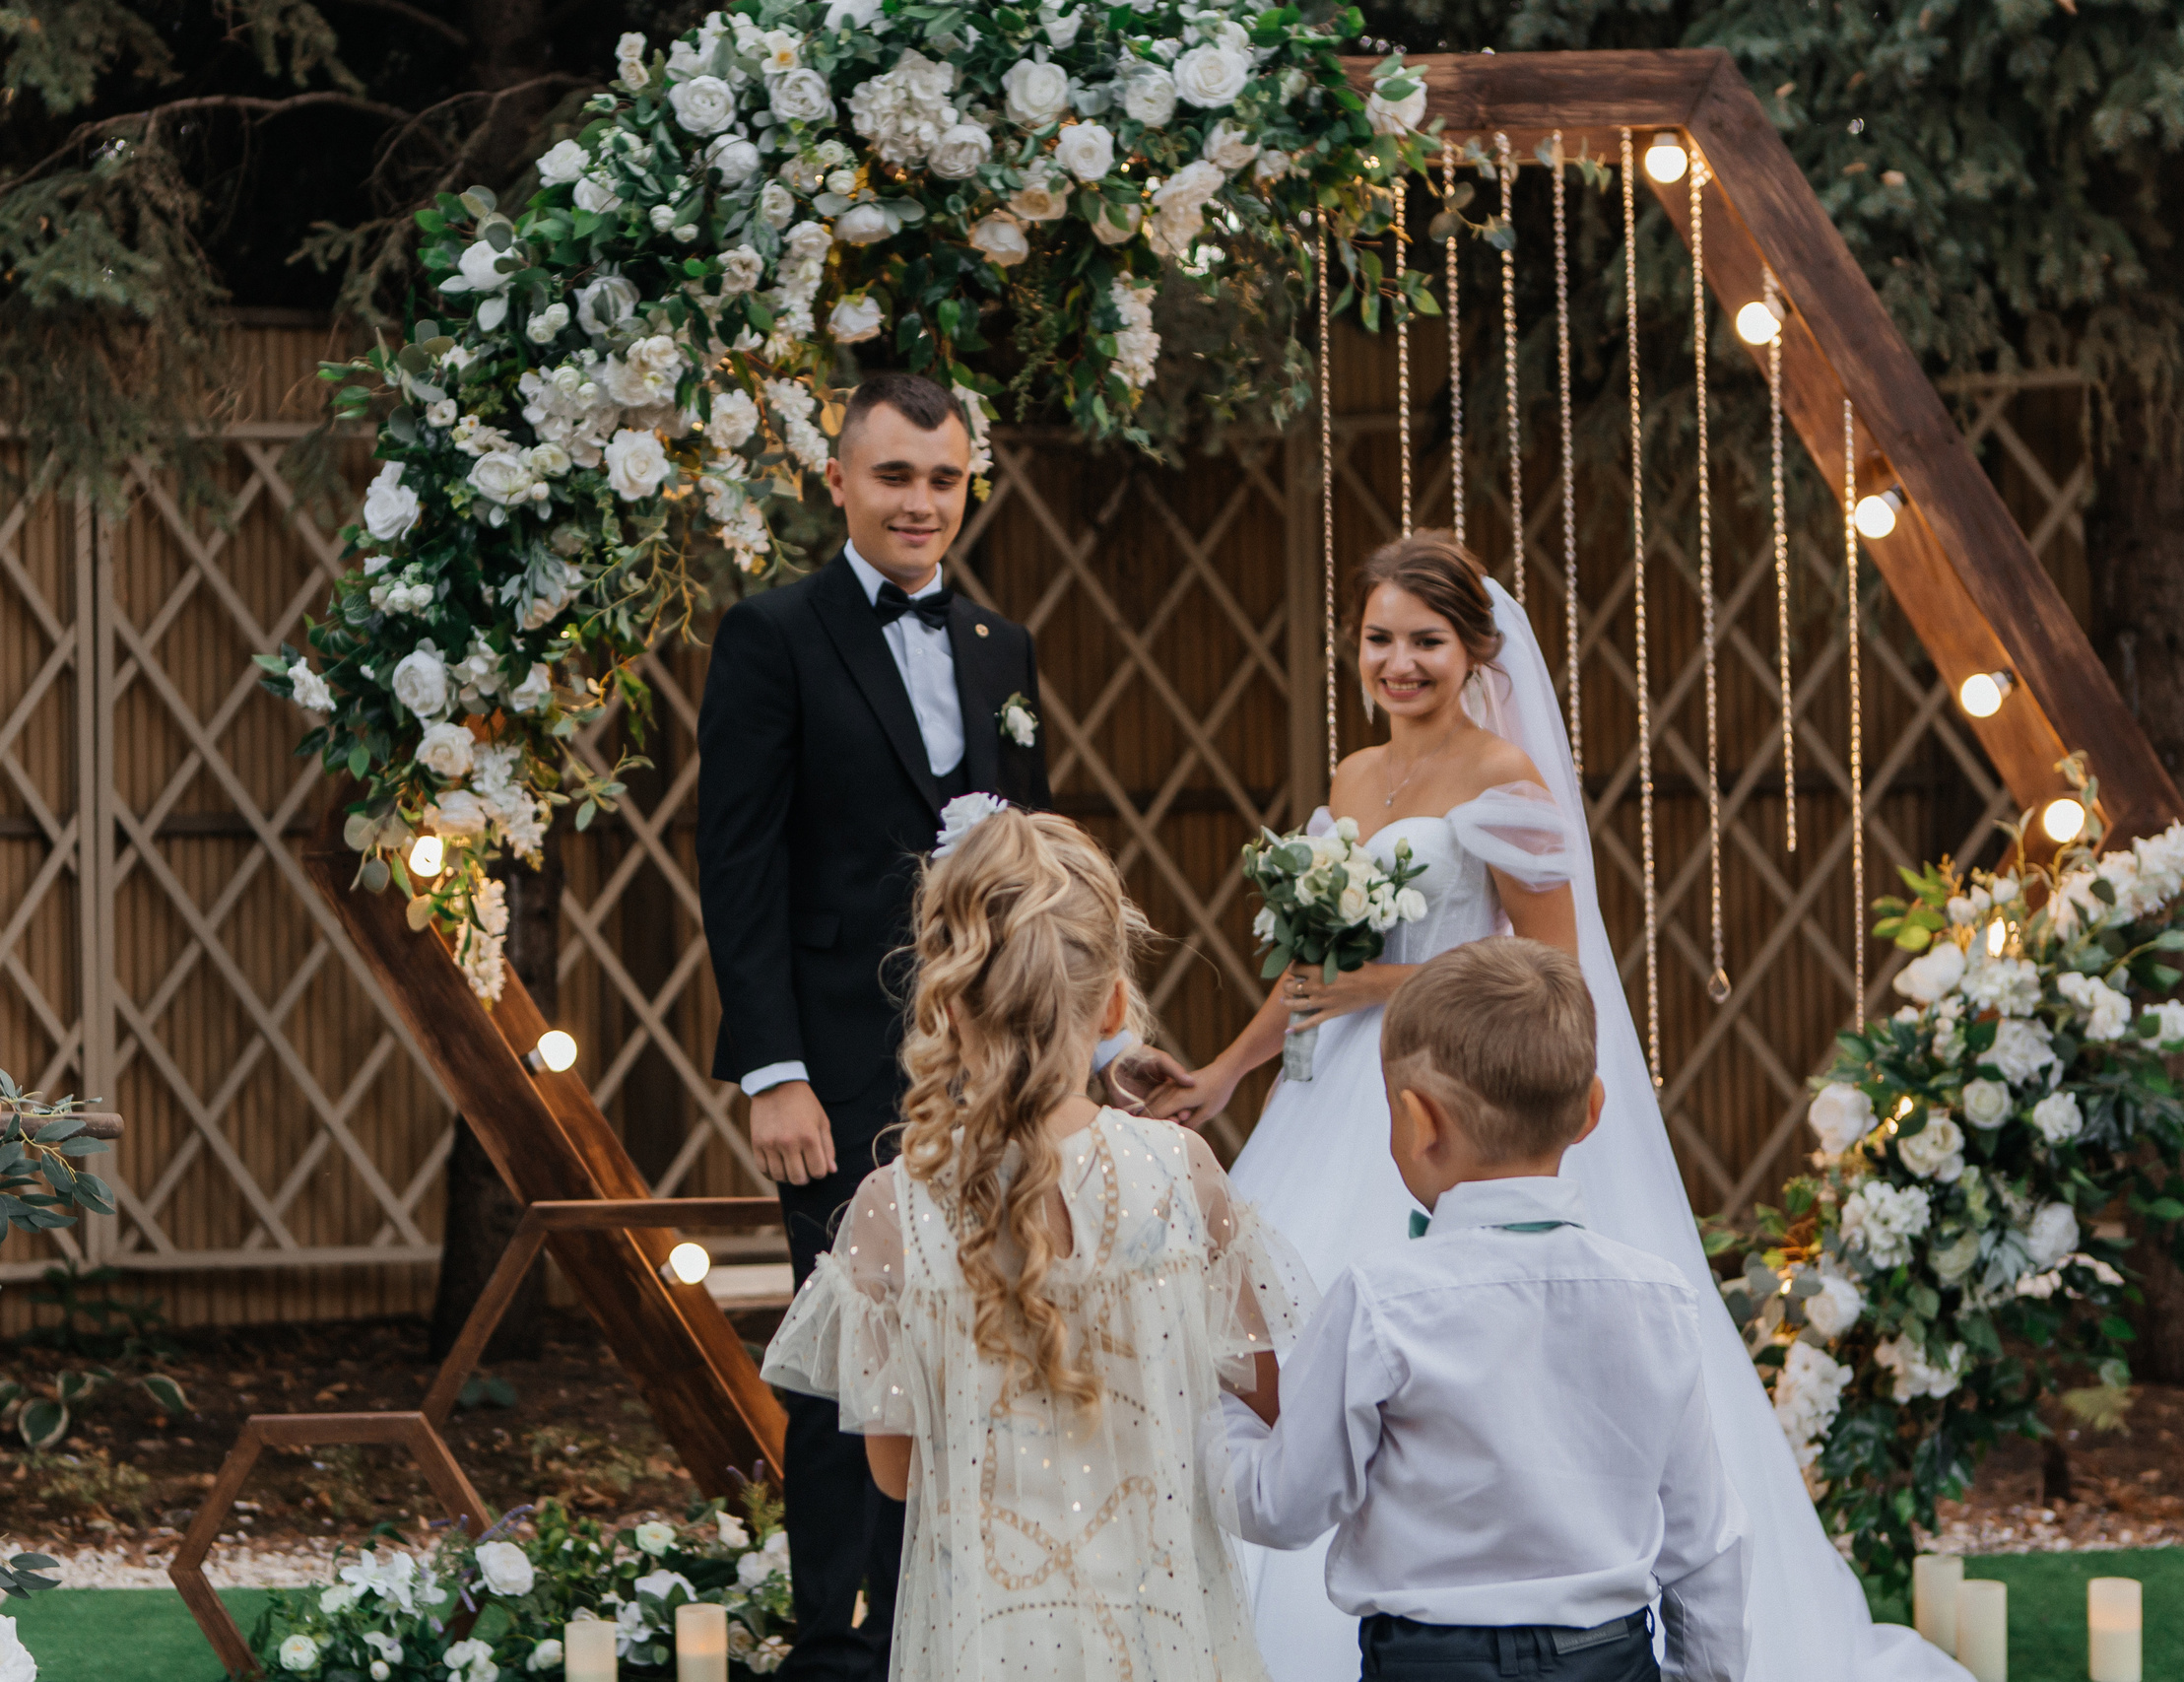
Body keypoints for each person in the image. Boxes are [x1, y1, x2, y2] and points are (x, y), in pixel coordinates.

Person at [1150, 533, 1965, 1682]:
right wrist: (1227, 1072)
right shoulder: (1349, 781)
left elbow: (1553, 973)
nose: (1399, 663)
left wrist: (1390, 987)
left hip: (1461, 1085)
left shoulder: (1506, 782)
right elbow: (1314, 971)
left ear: (1473, 650)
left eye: (1425, 641)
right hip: (1337, 1091)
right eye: (1380, 639)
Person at [695, 370, 1186, 1682]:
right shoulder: (772, 634)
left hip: (997, 1063)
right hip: (843, 1066)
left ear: (972, 483)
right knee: (854, 1339)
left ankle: (958, 1612)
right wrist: (774, 1068)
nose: (922, 499)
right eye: (896, 474)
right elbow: (735, 862)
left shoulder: (1000, 648)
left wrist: (1085, 1044)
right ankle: (838, 1639)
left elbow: (1033, 872)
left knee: (983, 1333)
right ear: (841, 480)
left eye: (944, 476)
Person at [760, 806, 1311, 1681]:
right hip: (1162, 1635)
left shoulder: (888, 1212)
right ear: (1115, 1008)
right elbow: (1281, 1408)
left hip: (986, 1642)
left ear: (946, 1003)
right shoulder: (1182, 1177)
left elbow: (898, 1476)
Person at [1216, 938, 1747, 1682]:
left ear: (1415, 1121)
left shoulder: (1381, 1300)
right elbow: (1706, 1545)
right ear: (1592, 1109)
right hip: (1611, 1659)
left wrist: (1216, 1412)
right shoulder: (1657, 1298)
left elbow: (1282, 1505)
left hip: (1431, 1665)